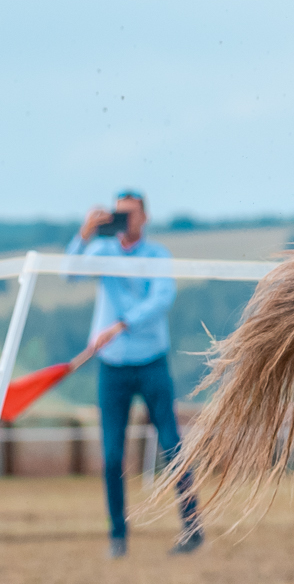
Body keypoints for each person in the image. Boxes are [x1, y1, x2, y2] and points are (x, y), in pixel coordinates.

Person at [66, 192, 203, 557]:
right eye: (119, 214)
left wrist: (121, 325)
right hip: (112, 367)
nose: (125, 220)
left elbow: (161, 299)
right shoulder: (102, 251)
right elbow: (70, 272)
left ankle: (192, 527)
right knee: (112, 456)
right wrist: (84, 235)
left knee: (172, 446)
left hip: (151, 362)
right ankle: (117, 535)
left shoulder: (158, 255)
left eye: (131, 214)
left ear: (145, 217)